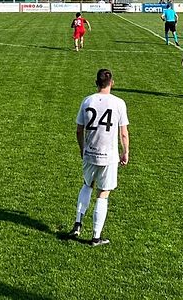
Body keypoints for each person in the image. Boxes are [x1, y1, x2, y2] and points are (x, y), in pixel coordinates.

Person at [67, 68, 129, 247]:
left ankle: (77, 224)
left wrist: (82, 148)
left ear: (96, 83)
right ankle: (95, 236)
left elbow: (79, 129)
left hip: (90, 153)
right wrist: (125, 151)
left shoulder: (87, 101)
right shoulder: (119, 103)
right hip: (109, 156)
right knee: (103, 194)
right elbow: (123, 132)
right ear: (112, 83)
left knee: (87, 185)